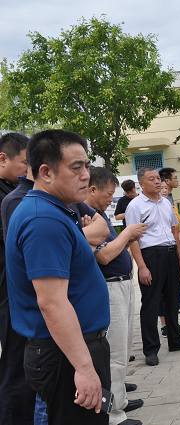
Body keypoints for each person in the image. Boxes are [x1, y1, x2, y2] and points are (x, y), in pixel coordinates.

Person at [5, 129, 111, 424]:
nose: (86, 175)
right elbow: (52, 303)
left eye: (87, 166)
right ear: (46, 172)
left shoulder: (54, 210)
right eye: (76, 168)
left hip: (72, 349)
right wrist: (85, 368)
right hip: (65, 355)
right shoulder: (43, 219)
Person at [85, 167, 148, 425]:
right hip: (109, 288)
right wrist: (127, 234)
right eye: (109, 194)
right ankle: (112, 415)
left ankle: (119, 400)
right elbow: (104, 255)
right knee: (113, 353)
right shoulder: (86, 218)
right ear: (92, 190)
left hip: (122, 285)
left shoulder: (98, 216)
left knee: (124, 347)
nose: (112, 200)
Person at [125, 167, 180, 367]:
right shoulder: (135, 206)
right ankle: (150, 349)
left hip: (170, 253)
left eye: (158, 178)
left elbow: (174, 231)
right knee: (150, 303)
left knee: (172, 299)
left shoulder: (166, 203)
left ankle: (175, 340)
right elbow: (133, 238)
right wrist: (142, 267)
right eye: (152, 179)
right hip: (151, 256)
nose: (158, 182)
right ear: (141, 184)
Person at [0, 133, 30, 425]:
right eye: (24, 163)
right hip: (7, 294)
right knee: (14, 365)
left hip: (15, 290)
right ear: (3, 159)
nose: (27, 170)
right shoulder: (8, 200)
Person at [158, 181, 180, 337]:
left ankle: (174, 323)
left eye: (166, 188)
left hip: (173, 250)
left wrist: (179, 245)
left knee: (173, 289)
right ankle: (164, 324)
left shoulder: (172, 208)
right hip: (159, 253)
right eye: (161, 188)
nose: (164, 190)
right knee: (161, 291)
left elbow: (179, 231)